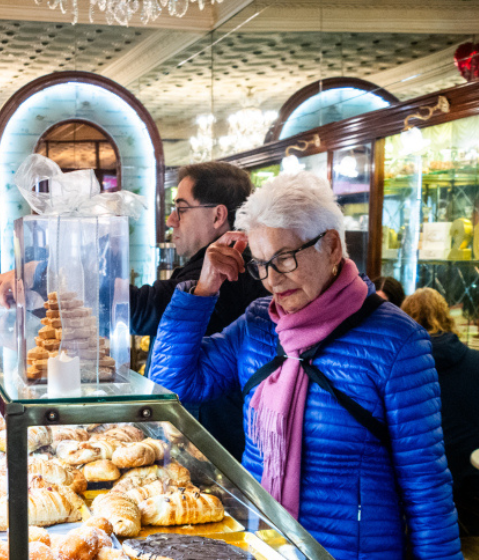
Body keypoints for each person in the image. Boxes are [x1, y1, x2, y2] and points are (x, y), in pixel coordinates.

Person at [148, 171, 462, 559]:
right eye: (260, 264)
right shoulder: (258, 325)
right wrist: (202, 289)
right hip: (264, 545)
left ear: (330, 246)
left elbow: (426, 486)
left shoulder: (396, 341)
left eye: (284, 258)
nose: (272, 280)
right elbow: (170, 382)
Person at [0, 162, 267, 461]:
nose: (170, 220)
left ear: (218, 215)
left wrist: (41, 273)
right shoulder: (207, 266)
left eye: (180, 208)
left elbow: (143, 309)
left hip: (213, 443)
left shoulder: (232, 271)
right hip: (195, 433)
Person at [402, 288, 479, 535]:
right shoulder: (475, 360)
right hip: (472, 479)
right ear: (447, 315)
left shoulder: (404, 364)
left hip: (421, 484)